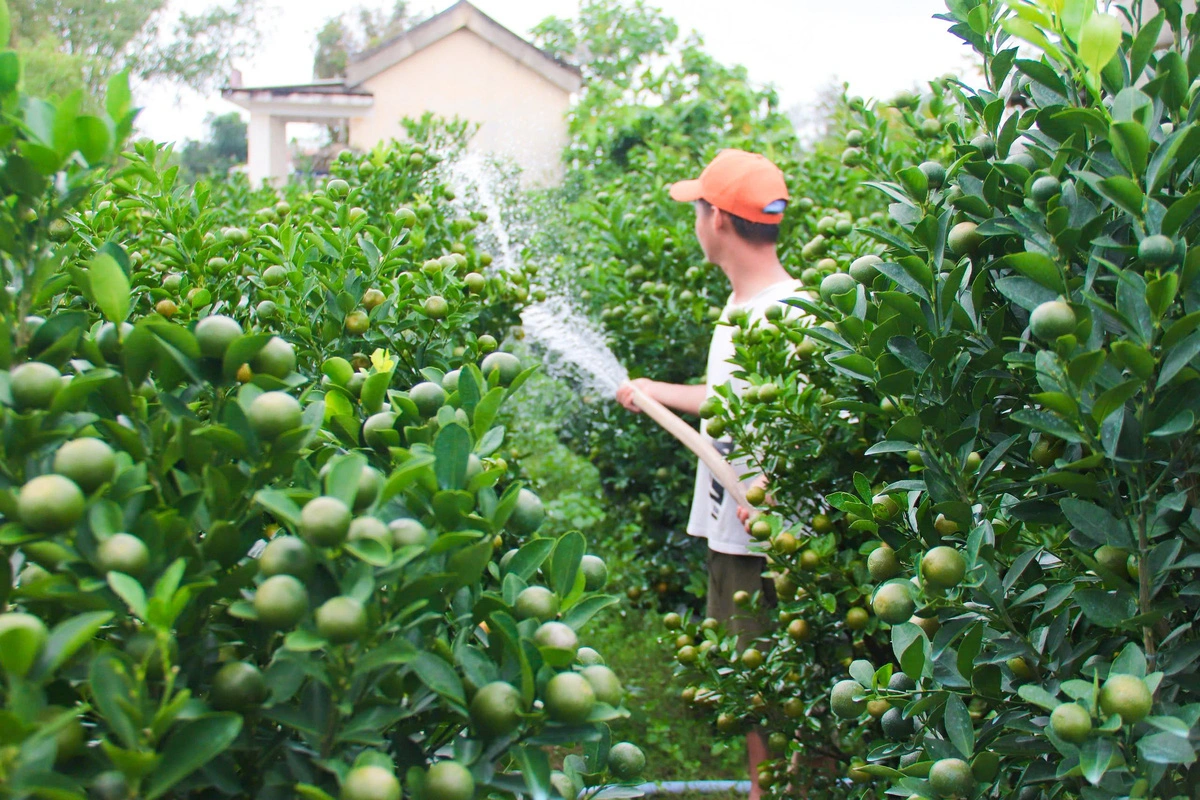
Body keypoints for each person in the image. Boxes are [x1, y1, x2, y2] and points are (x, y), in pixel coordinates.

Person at [615, 148, 799, 800]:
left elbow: (813, 423)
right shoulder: (743, 305)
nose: (694, 223)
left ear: (718, 220)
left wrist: (772, 496)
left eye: (697, 210)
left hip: (766, 543)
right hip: (735, 528)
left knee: (772, 684)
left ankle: (775, 792)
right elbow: (733, 402)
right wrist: (655, 390)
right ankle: (765, 790)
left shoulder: (787, 313)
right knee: (751, 683)